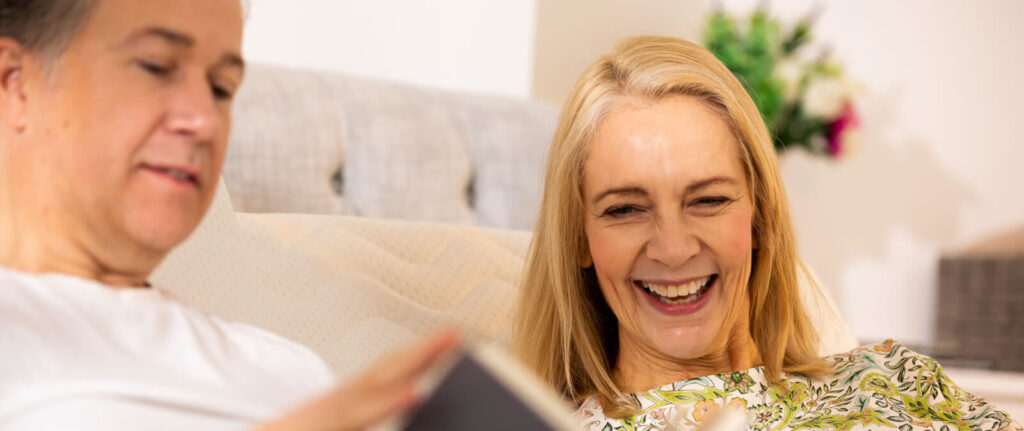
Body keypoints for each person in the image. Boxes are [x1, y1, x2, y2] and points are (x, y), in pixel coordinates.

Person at [511, 35, 1022, 431]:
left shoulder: (894, 374)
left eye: (708, 200)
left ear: (759, 218)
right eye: (625, 209)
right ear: (578, 238)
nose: (673, 248)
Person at [0, 0, 456, 430]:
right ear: (14, 82)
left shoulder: (290, 370)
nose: (206, 120)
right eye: (156, 67)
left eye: (221, 89)